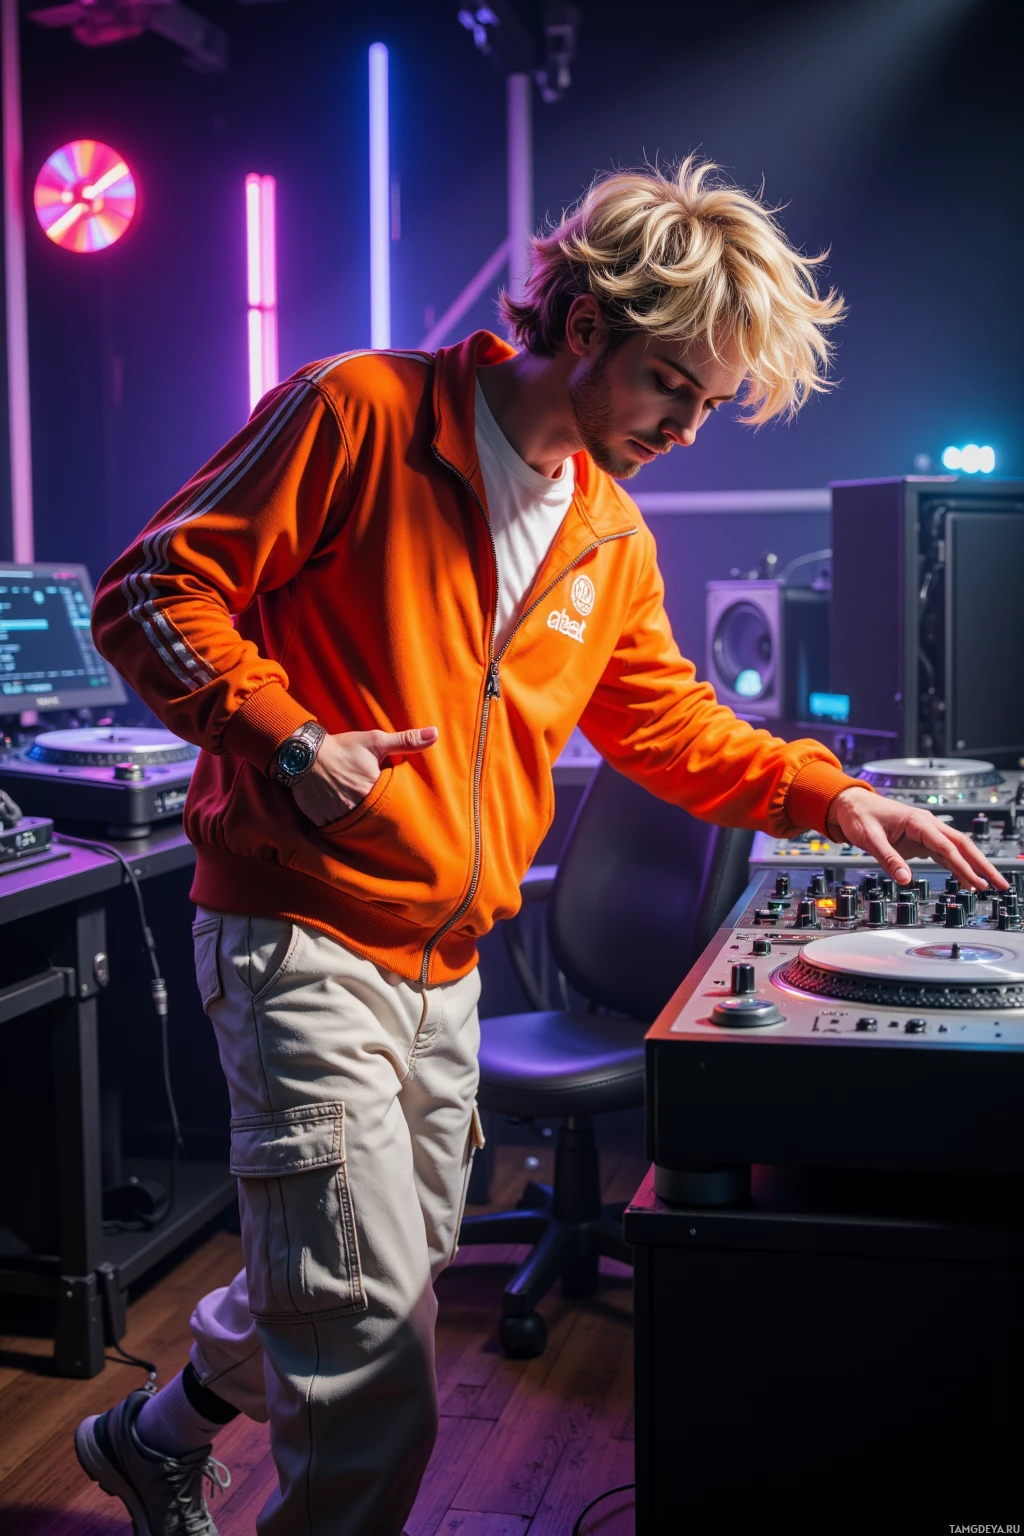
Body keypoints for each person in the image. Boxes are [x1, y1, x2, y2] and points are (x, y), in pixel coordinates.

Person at [76, 156, 1005, 1536]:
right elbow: (152, 589)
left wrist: (828, 798)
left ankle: (155, 1435)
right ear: (585, 328)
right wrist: (284, 738)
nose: (688, 429)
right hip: (299, 935)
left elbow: (667, 722)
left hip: (448, 964)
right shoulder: (357, 413)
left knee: (357, 1270)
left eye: (710, 404)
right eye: (670, 388)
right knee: (374, 1348)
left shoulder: (608, 533)